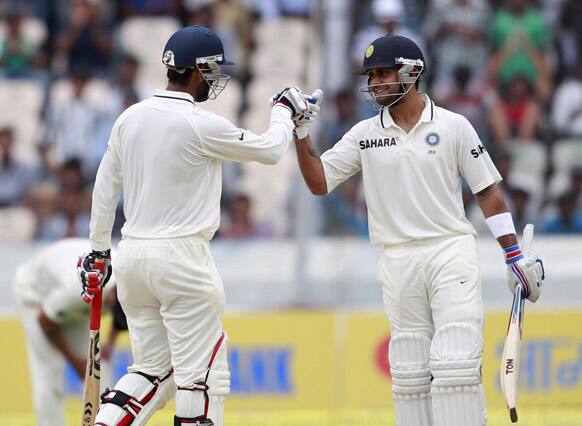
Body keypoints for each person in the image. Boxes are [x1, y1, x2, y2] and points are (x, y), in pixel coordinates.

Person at [293, 34, 545, 426]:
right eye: (371, 75)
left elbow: (488, 193)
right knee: (410, 371)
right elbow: (318, 182)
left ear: (411, 73)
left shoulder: (453, 125)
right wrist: (301, 132)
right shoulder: (364, 134)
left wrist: (514, 255)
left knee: (456, 362)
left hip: (449, 251)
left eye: (383, 74)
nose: (375, 83)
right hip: (397, 259)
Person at [77, 25, 315, 426]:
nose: (216, 79)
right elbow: (272, 150)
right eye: (214, 70)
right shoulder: (200, 123)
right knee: (201, 378)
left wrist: (99, 251)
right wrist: (283, 110)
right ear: (198, 70)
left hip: (132, 257)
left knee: (150, 370)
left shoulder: (130, 117)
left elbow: (104, 189)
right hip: (182, 259)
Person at [13, 238, 115, 426]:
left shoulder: (128, 283)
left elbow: (121, 315)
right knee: (50, 372)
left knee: (100, 370)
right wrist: (73, 360)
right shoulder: (76, 289)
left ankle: (103, 422)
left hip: (80, 298)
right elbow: (45, 321)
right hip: (36, 297)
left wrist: (110, 343)